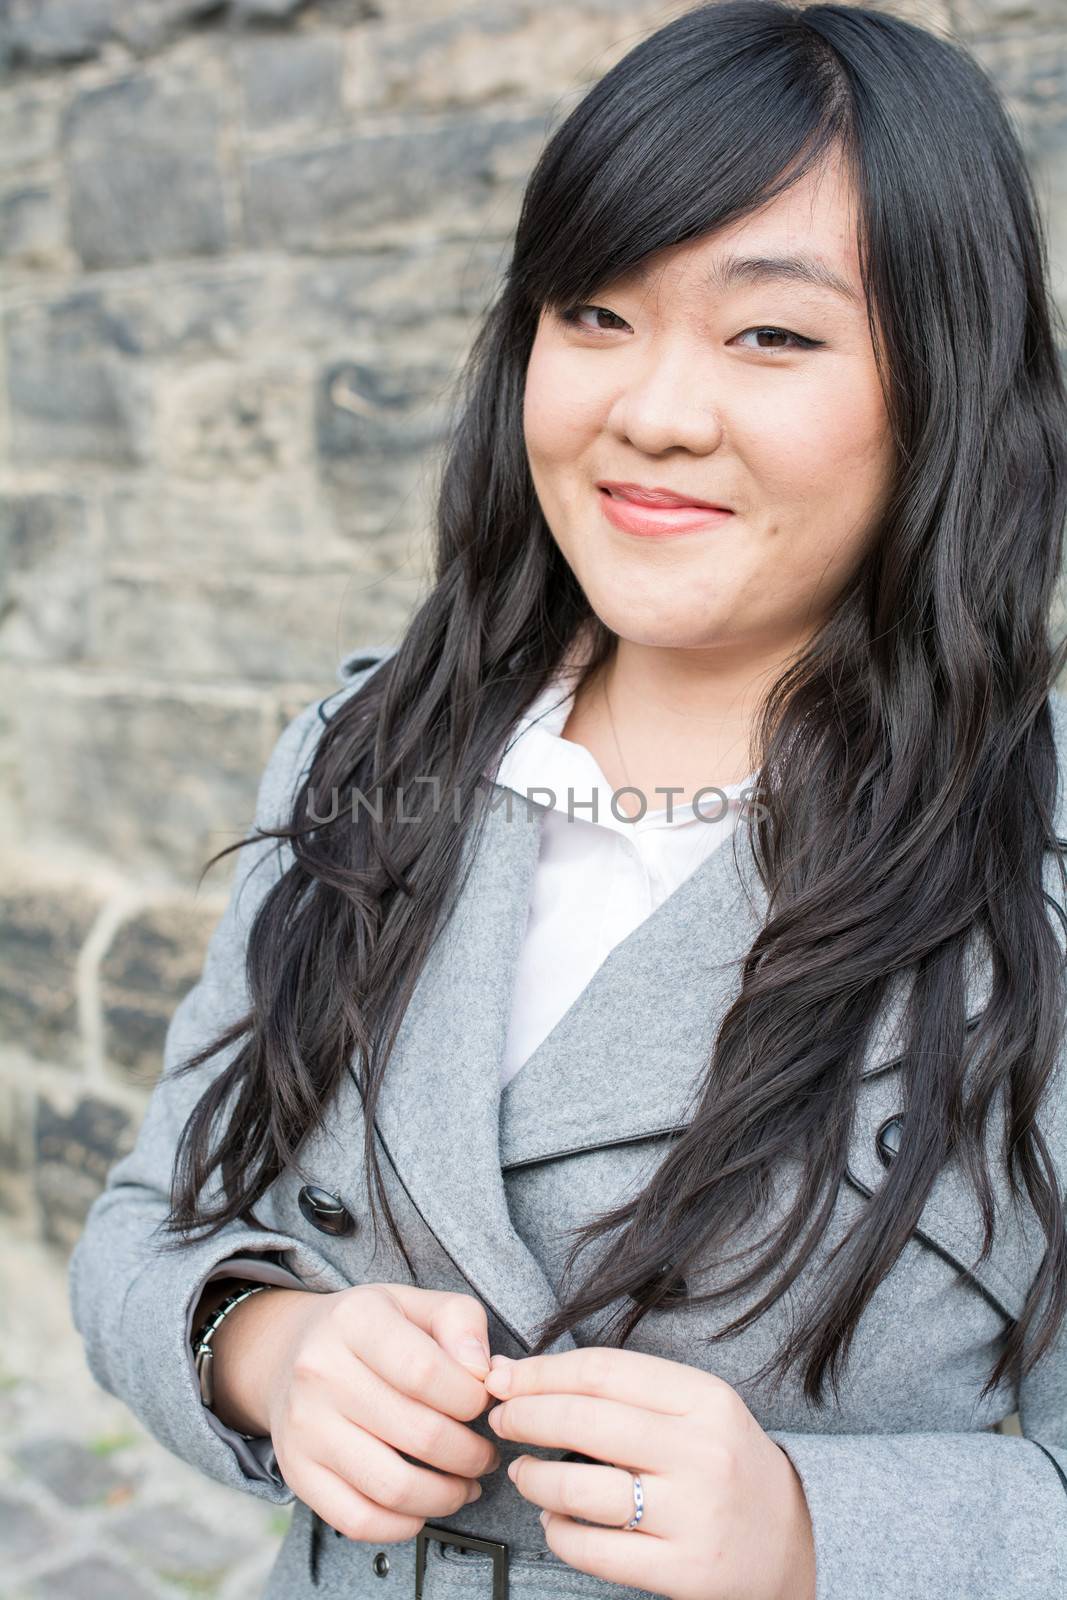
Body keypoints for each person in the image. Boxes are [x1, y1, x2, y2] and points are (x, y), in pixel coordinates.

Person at [69, 3, 1067, 1597]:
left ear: (943, 382)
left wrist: (820, 1531)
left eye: (772, 336)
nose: (652, 411)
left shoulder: (1033, 865)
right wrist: (271, 1350)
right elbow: (141, 1223)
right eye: (594, 315)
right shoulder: (372, 749)